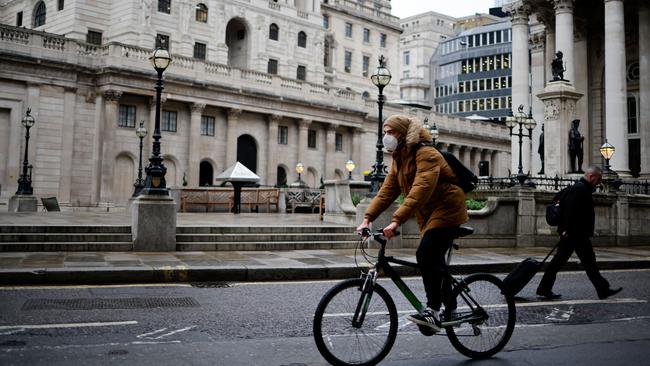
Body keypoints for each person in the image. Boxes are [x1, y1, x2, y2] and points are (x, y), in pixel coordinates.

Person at [356, 114, 468, 331]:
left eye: (390, 132)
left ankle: (433, 310)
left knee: (425, 254)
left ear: (402, 133)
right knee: (435, 260)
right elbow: (387, 191)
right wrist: (367, 219)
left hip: (448, 208)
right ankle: (451, 305)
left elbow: (420, 191)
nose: (386, 137)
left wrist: (396, 221)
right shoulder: (400, 157)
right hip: (429, 213)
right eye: (385, 132)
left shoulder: (426, 153)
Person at [536, 166, 622, 300]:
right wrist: (565, 230)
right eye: (598, 179)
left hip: (577, 234)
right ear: (591, 176)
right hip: (574, 234)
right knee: (569, 262)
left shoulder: (582, 188)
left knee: (585, 262)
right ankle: (602, 289)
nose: (599, 182)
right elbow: (570, 213)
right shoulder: (579, 189)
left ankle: (602, 289)